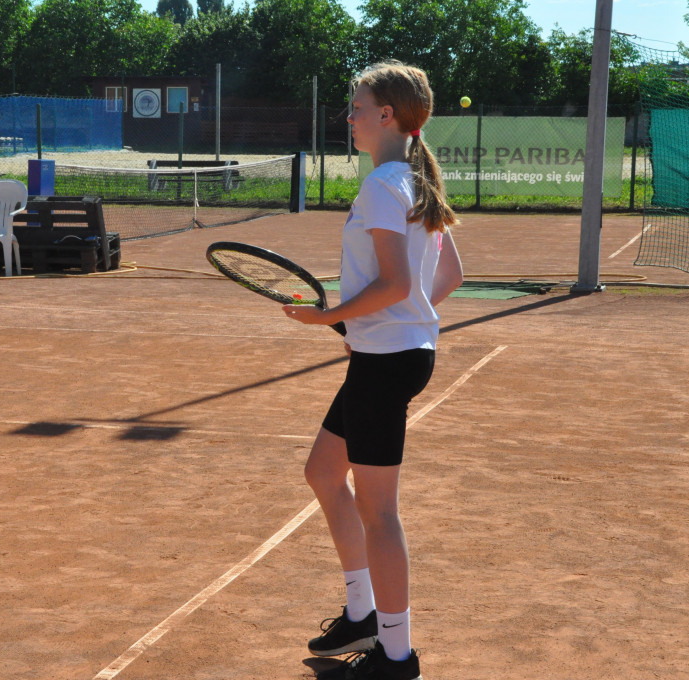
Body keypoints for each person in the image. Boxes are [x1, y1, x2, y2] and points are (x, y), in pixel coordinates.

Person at [282, 61, 464, 680]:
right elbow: (446, 278)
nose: (351, 117)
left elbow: (392, 283)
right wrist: (388, 323)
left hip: (387, 363)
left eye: (357, 107)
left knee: (378, 511)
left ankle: (395, 655)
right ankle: (363, 614)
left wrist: (327, 317)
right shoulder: (413, 182)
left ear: (387, 115)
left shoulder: (385, 185)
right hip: (393, 354)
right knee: (323, 472)